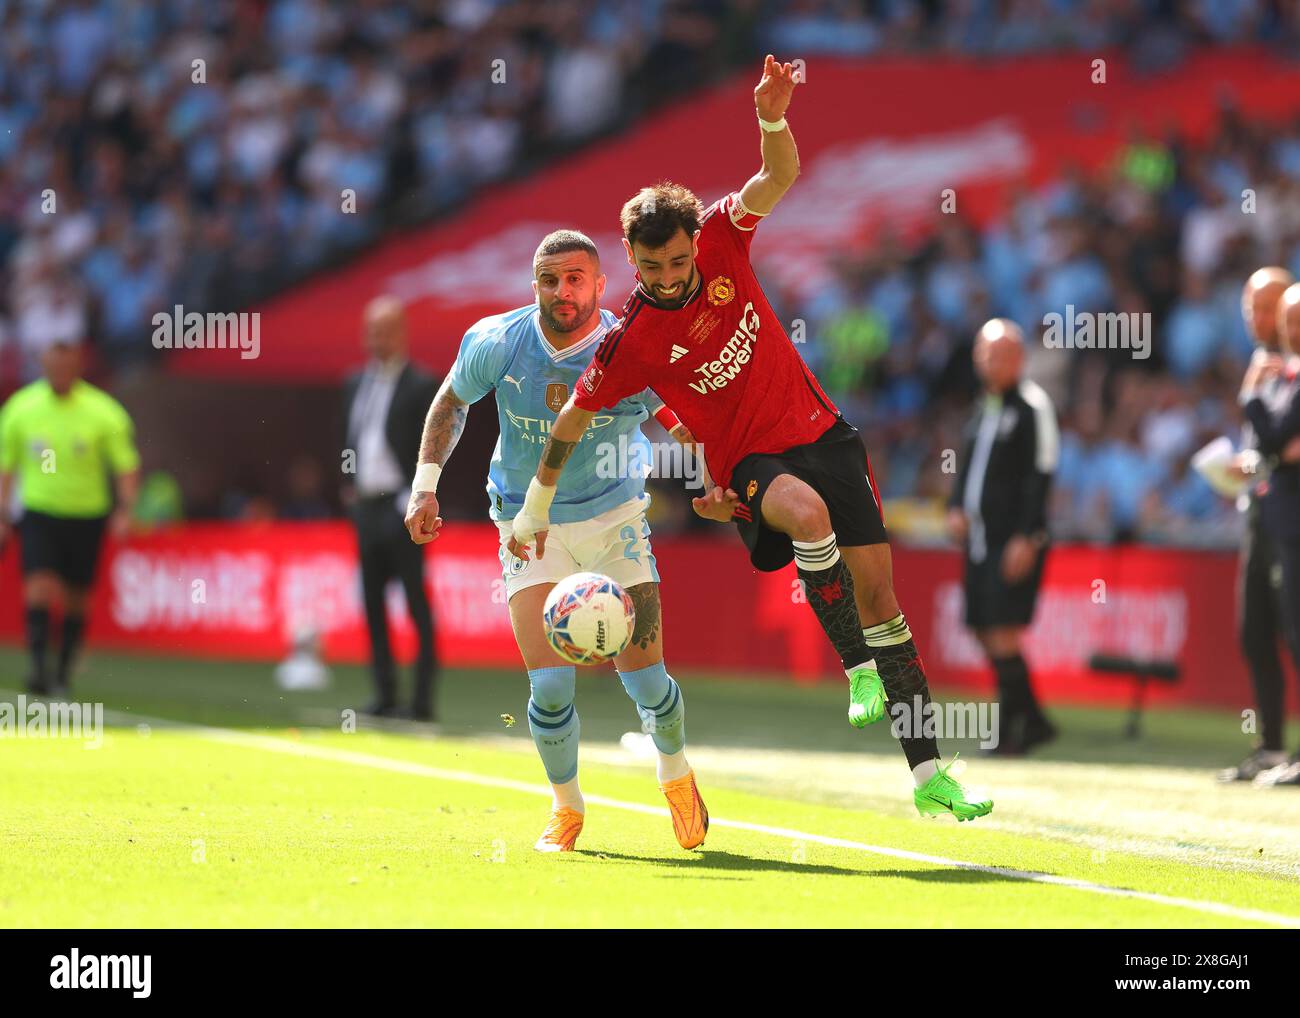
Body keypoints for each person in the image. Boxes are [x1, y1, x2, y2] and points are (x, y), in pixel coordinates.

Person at [508, 55, 992, 821]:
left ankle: (930, 772)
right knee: (807, 517)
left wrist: (771, 114)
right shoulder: (630, 338)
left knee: (883, 599)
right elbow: (573, 416)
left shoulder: (723, 238)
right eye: (649, 268)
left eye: (674, 262)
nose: (666, 279)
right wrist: (535, 507)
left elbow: (780, 174)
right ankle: (856, 668)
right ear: (629, 262)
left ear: (691, 244)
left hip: (826, 434)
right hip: (752, 469)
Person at [404, 230, 709, 851]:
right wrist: (424, 486)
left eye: (575, 279)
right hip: (526, 524)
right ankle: (567, 808)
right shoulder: (499, 340)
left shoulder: (630, 348)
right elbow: (450, 401)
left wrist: (718, 473)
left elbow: (681, 416)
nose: (562, 292)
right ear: (534, 284)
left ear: (601, 285)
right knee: (549, 685)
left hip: (615, 520)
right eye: (550, 280)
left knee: (646, 680)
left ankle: (675, 773)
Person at [0, 339, 139, 696]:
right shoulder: (21, 408)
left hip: (87, 513)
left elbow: (125, 465)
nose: (58, 373)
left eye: (65, 367)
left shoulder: (103, 411)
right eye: (52, 367)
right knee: (40, 586)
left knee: (78, 596)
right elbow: (6, 467)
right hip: (39, 511)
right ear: (43, 367)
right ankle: (37, 668)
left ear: (76, 367)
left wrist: (124, 508)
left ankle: (63, 671)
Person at [946, 319, 1059, 755]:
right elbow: (967, 469)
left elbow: (1041, 473)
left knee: (1003, 632)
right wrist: (956, 506)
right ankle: (1032, 720)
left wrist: (1028, 536)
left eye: (998, 355)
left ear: (1019, 359)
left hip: (1010, 539)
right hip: (978, 540)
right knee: (982, 627)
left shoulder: (1032, 407)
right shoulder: (983, 409)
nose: (988, 363)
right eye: (984, 354)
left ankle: (1016, 726)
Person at [342, 296, 439, 720]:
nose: (374, 339)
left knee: (416, 601)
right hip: (366, 507)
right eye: (370, 331)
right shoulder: (354, 383)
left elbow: (435, 444)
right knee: (372, 602)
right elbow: (349, 438)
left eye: (383, 330)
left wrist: (420, 492)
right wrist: (348, 484)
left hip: (403, 504)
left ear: (400, 332)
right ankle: (384, 694)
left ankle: (420, 701)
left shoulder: (421, 386)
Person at [1219, 267, 1297, 782]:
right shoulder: (1268, 365)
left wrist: (1267, 452)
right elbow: (1270, 447)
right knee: (1255, 631)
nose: (1259, 318)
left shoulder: (1287, 371)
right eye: (1251, 306)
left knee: (1296, 630)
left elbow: (1281, 443)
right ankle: (1270, 746)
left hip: (1291, 515)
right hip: (1262, 512)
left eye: (1268, 308)